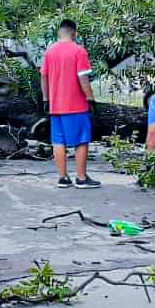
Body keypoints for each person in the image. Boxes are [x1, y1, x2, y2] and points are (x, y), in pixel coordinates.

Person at [41, 19, 101, 189]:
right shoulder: (78, 51)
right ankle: (81, 178)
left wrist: (46, 99)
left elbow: (43, 77)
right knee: (82, 140)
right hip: (75, 104)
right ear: (74, 33)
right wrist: (90, 98)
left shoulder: (50, 52)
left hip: (55, 105)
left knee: (58, 141)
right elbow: (83, 78)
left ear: (59, 32)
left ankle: (63, 177)